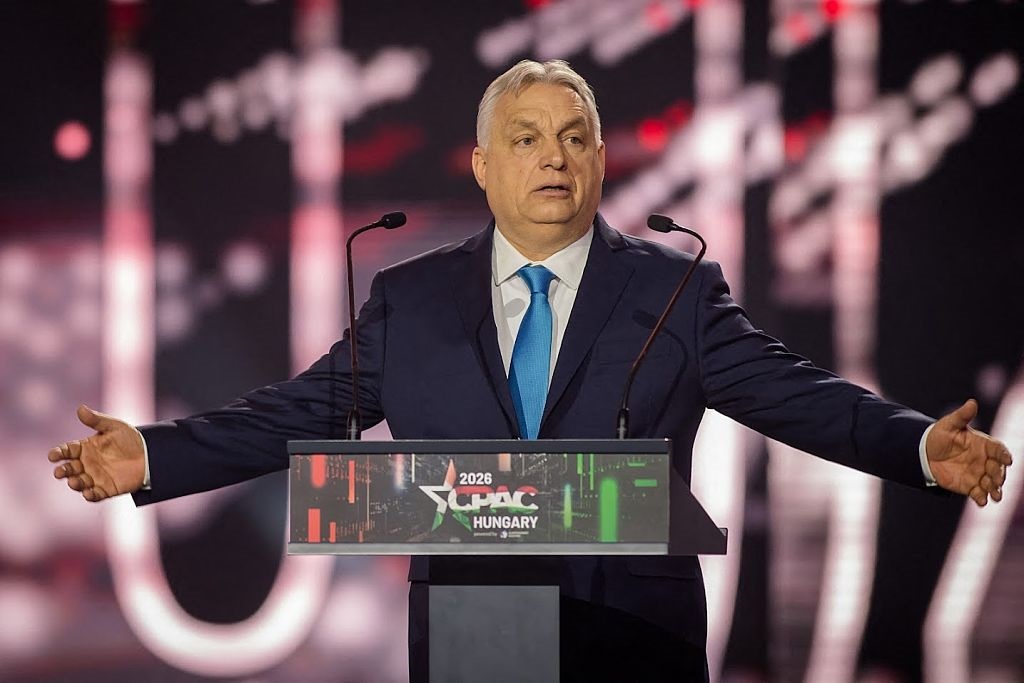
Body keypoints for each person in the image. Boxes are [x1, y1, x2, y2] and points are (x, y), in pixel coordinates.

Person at [50, 60, 1012, 682]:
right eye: (526, 138)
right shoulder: (413, 297)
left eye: (573, 137)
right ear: (482, 165)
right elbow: (298, 410)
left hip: (637, 634)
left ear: (600, 161)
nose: (553, 157)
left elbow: (797, 395)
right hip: (475, 633)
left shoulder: (674, 290)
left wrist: (918, 447)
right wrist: (155, 456)